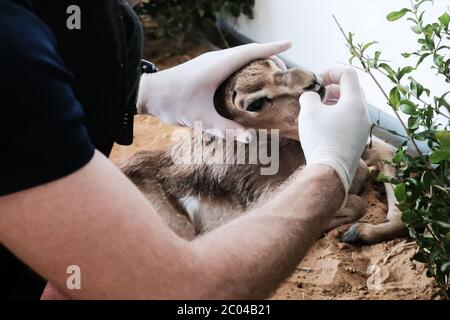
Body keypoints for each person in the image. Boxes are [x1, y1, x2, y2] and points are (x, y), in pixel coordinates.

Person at [0, 0, 371, 299]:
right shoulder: (12, 53)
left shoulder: (55, 24)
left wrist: (144, 90)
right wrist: (330, 168)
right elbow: (185, 291)